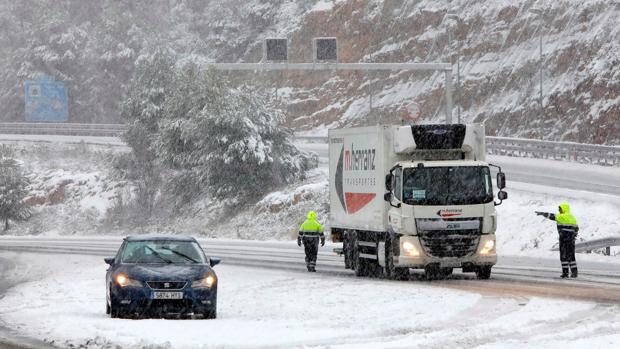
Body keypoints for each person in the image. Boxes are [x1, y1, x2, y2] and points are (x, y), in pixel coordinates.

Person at [536, 203, 579, 278]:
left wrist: (542, 213)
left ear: (564, 209)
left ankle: (565, 273)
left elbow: (551, 216)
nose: (559, 210)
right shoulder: (572, 218)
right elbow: (576, 228)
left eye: (560, 209)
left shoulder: (561, 216)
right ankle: (574, 272)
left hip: (563, 239)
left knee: (563, 256)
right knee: (571, 256)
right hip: (571, 240)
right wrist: (573, 235)